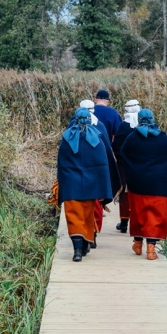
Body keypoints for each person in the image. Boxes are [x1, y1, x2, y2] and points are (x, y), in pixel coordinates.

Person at [120, 108, 167, 260]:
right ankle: (151, 250)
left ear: (139, 120)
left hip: (137, 184)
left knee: (138, 214)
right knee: (156, 216)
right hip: (159, 185)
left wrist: (132, 173)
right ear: (153, 119)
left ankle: (138, 244)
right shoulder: (163, 138)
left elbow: (123, 156)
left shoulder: (132, 138)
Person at [57, 108, 114, 262]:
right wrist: (103, 187)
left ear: (75, 119)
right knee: (87, 215)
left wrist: (63, 183)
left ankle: (76, 249)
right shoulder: (97, 139)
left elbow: (61, 164)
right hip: (91, 186)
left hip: (71, 185)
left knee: (73, 216)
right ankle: (84, 245)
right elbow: (103, 165)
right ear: (89, 119)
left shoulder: (66, 138)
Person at [112, 100, 141, 234]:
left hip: (124, 164)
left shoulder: (124, 126)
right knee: (139, 191)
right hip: (141, 164)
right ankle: (138, 221)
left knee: (125, 192)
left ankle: (124, 223)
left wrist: (120, 158)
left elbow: (116, 145)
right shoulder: (144, 125)